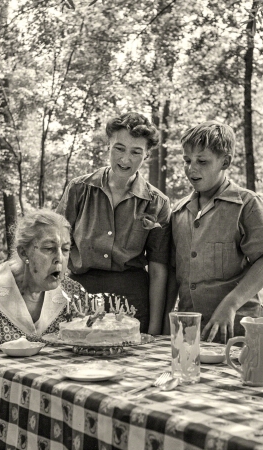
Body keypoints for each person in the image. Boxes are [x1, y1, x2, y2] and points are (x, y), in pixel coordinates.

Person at [162, 121, 263, 343]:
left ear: (226, 162)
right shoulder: (179, 212)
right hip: (192, 332)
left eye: (202, 161)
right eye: (187, 160)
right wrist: (165, 324)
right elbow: (174, 273)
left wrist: (229, 305)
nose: (192, 168)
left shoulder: (247, 204)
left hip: (240, 331)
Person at [57, 112, 171, 335]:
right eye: (119, 148)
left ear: (146, 155)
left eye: (136, 152)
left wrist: (155, 329)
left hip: (132, 303)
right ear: (108, 145)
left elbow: (158, 270)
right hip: (79, 298)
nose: (125, 159)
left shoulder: (158, 203)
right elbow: (56, 246)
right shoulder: (79, 190)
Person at [0, 208, 72, 368]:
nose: (59, 259)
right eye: (49, 248)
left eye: (65, 249)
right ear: (24, 253)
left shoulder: (72, 296)